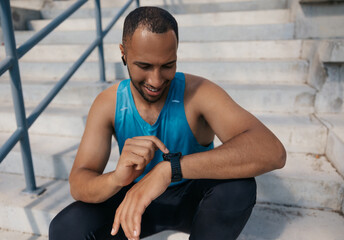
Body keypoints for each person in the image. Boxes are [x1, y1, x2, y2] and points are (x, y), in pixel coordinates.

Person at [49, 6, 286, 240]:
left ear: (176, 55)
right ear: (123, 53)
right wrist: (115, 179)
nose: (156, 80)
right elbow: (79, 183)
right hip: (138, 199)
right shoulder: (108, 103)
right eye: (144, 66)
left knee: (238, 188)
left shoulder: (199, 92)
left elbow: (272, 151)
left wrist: (169, 170)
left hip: (195, 200)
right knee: (65, 228)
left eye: (167, 65)